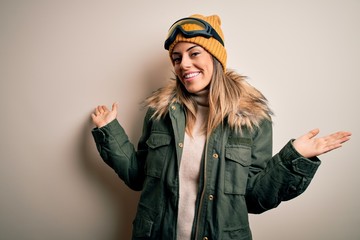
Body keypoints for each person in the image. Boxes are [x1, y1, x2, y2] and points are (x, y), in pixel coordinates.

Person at [90, 14, 351, 240]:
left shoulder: (251, 118)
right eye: (177, 58)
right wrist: (109, 131)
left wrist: (294, 158)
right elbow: (139, 179)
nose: (184, 65)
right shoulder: (160, 113)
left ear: (215, 57)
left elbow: (255, 198)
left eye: (194, 54)